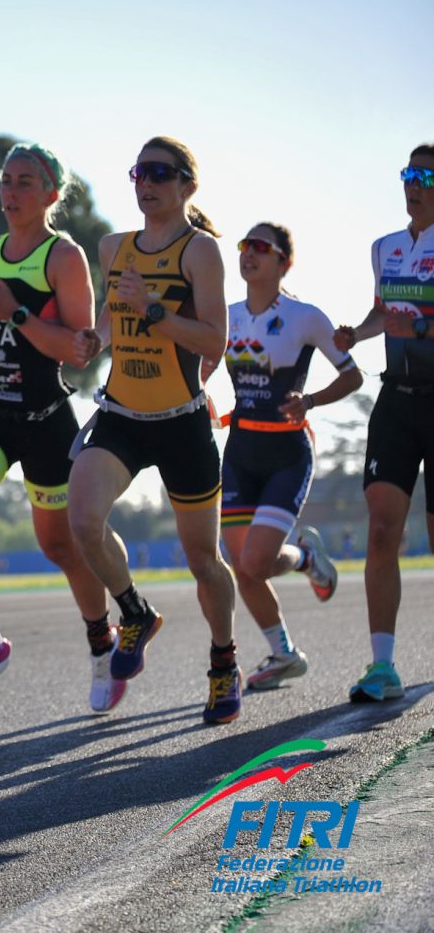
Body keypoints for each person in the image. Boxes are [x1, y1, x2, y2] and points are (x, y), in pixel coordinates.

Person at [0, 142, 120, 713]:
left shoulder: (63, 257)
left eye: (24, 183)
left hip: (44, 419)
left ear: (50, 195)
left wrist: (17, 312)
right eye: (5, 180)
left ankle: (102, 644)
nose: (10, 192)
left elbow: (78, 349)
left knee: (60, 544)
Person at [68, 136, 238, 725]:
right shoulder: (112, 247)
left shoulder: (201, 252)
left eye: (161, 173)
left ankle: (223, 662)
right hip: (122, 415)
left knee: (203, 561)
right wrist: (95, 339)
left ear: (188, 185)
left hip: (181, 422)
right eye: (139, 172)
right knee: (83, 521)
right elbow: (111, 315)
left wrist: (156, 311)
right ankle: (135, 612)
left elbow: (214, 340)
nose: (147, 183)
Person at [213, 222, 361, 690]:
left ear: (284, 262)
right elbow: (198, 368)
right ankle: (284, 655)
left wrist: (311, 400)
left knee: (255, 563)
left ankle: (304, 557)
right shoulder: (225, 316)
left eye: (261, 247)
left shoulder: (305, 317)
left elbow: (353, 376)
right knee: (241, 564)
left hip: (287, 454)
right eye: (245, 245)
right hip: (240, 451)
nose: (249, 253)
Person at [331, 142, 434, 702]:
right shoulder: (385, 248)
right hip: (396, 398)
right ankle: (382, 666)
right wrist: (358, 332)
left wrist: (417, 328)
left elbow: (410, 320)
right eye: (408, 175)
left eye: (425, 177)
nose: (414, 185)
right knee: (380, 528)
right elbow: (382, 311)